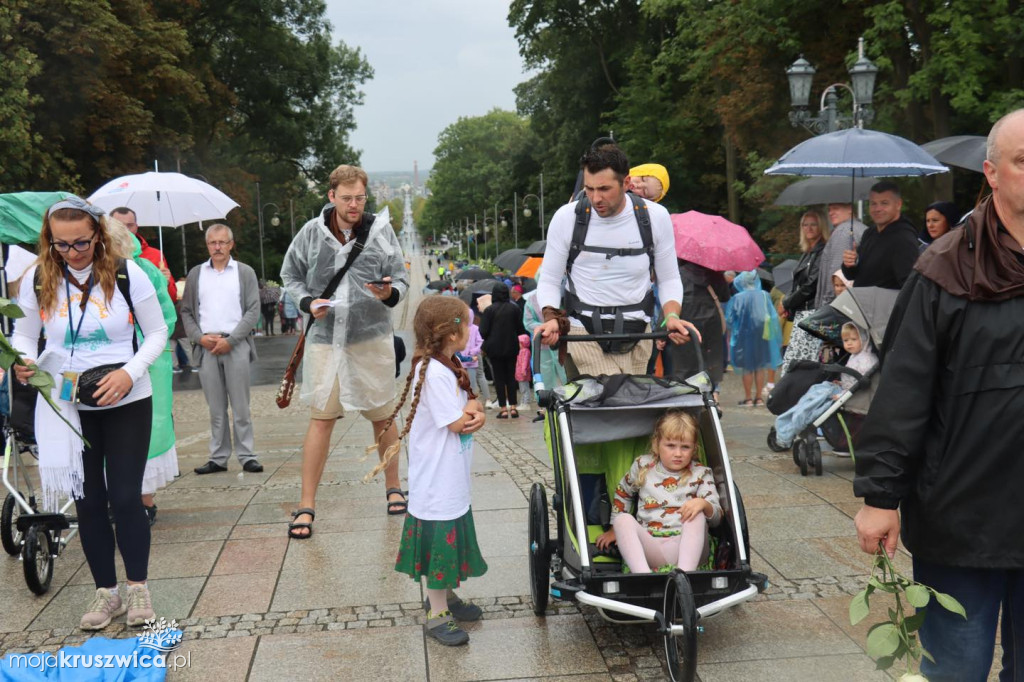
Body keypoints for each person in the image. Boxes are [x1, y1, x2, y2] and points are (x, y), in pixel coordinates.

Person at [854, 109, 1024, 681]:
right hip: (961, 518)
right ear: (993, 172)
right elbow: (902, 392)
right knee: (955, 671)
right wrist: (880, 495)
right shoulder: (945, 269)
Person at [13, 196, 167, 629]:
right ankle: (107, 593)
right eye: (60, 245)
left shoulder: (126, 272)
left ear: (98, 234)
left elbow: (156, 332)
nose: (72, 252)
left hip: (126, 398)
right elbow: (23, 335)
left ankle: (138, 587)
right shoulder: (39, 278)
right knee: (88, 500)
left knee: (124, 496)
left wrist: (129, 373)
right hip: (68, 401)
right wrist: (23, 362)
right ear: (49, 241)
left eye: (80, 242)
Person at [280, 164, 410, 538]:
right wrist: (307, 302)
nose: (354, 205)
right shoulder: (310, 233)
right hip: (325, 340)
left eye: (361, 198)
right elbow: (290, 274)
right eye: (347, 198)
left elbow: (400, 276)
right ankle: (306, 505)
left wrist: (389, 292)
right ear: (331, 196)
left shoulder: (380, 232)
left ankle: (393, 486)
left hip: (370, 339)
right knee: (321, 418)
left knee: (383, 415)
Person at [367, 296, 487, 647]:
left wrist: (472, 410)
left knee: (451, 534)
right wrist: (473, 411)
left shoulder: (445, 363)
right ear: (452, 332)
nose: (471, 329)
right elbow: (456, 422)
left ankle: (446, 597)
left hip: (449, 476)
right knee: (441, 546)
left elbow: (466, 411)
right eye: (467, 322)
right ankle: (437, 613)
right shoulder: (433, 371)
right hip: (437, 480)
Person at [535, 144, 690, 376]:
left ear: (626, 183)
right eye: (589, 188)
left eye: (605, 189)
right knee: (603, 403)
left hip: (639, 334)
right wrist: (551, 317)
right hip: (583, 332)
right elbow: (549, 278)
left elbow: (668, 278)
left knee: (634, 409)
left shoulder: (655, 217)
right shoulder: (567, 218)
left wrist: (671, 315)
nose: (596, 198)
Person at [107, 221, 179, 527]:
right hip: (108, 364)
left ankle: (145, 499)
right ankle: (115, 496)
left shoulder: (145, 271)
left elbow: (166, 318)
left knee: (147, 429)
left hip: (147, 362)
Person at [180, 224, 263, 475]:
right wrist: (199, 337)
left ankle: (247, 455)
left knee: (241, 407)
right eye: (212, 243)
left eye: (222, 242)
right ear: (207, 246)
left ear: (231, 244)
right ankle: (218, 457)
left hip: (234, 344)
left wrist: (232, 339)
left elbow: (253, 310)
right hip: (206, 347)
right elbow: (186, 311)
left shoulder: (244, 272)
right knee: (215, 408)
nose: (217, 247)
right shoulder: (196, 274)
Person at [595, 411, 721, 572]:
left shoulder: (701, 473)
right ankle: (643, 576)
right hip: (652, 545)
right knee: (622, 520)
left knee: (697, 515)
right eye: (670, 446)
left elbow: (717, 518)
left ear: (694, 449)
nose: (678, 454)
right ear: (657, 444)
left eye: (685, 447)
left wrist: (704, 504)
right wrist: (614, 529)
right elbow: (623, 492)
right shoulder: (643, 465)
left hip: (688, 547)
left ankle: (685, 577)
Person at [773, 323, 877, 448]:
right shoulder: (855, 356)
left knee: (813, 402)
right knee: (814, 392)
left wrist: (843, 393)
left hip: (850, 396)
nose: (849, 343)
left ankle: (788, 430)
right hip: (843, 389)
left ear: (864, 340)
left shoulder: (866, 360)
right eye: (846, 340)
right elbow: (853, 379)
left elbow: (861, 385)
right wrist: (842, 383)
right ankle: (786, 426)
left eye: (854, 340)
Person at [841, 182, 920, 290]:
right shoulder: (869, 233)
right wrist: (850, 264)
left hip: (885, 304)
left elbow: (909, 286)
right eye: (873, 203)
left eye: (884, 203)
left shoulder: (904, 239)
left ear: (898, 204)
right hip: (860, 302)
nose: (878, 209)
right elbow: (852, 275)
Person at [667, 261, 730, 391]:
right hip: (711, 326)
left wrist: (661, 332)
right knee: (708, 367)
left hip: (684, 326)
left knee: (684, 368)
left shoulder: (679, 273)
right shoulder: (714, 274)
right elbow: (725, 296)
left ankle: (685, 401)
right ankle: (709, 399)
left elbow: (670, 302)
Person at [780, 211, 830, 375]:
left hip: (812, 314)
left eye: (813, 224)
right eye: (805, 224)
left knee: (799, 364)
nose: (808, 228)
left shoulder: (822, 252)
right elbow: (798, 284)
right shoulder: (808, 252)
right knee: (794, 363)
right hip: (802, 313)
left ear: (821, 226)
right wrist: (788, 302)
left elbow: (811, 286)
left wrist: (787, 303)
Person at [725, 270, 782, 405]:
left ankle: (748, 398)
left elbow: (730, 319)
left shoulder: (737, 298)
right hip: (762, 335)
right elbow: (772, 316)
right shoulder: (764, 295)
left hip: (743, 336)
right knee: (760, 366)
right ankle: (759, 398)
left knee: (747, 368)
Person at [109, 207, 176, 304]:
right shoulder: (102, 255)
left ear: (136, 226)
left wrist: (167, 283)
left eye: (130, 225)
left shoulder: (155, 255)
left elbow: (171, 298)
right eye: (120, 226)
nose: (125, 230)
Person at [479, 282, 527, 419]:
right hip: (511, 347)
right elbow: (520, 330)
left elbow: (483, 332)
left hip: (494, 349)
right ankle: (513, 407)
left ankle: (503, 408)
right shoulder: (515, 309)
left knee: (499, 378)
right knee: (511, 377)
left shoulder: (489, 310)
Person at [816, 203, 868, 308]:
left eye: (835, 208)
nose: (830, 213)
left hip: (839, 306)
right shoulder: (864, 229)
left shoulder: (843, 231)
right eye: (829, 210)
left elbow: (837, 277)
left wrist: (826, 307)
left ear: (850, 209)